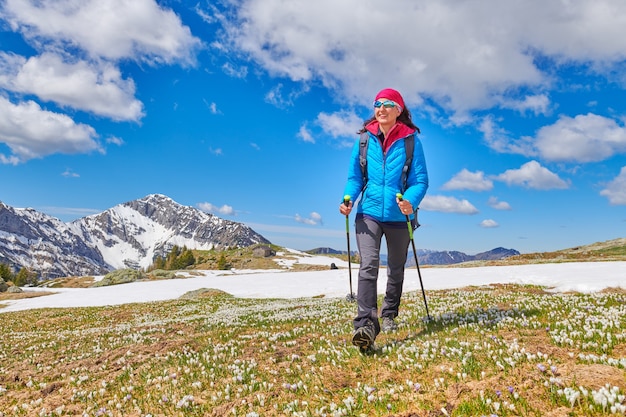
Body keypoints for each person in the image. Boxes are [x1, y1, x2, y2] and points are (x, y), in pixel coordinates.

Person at [339, 88, 428, 351]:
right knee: (368, 265)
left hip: (400, 216)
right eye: (377, 104)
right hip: (368, 213)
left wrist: (410, 200)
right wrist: (348, 198)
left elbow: (420, 180)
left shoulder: (411, 141)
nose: (381, 108)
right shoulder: (364, 140)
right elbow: (355, 177)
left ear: (398, 110)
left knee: (396, 268)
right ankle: (366, 324)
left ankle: (389, 313)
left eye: (388, 104)